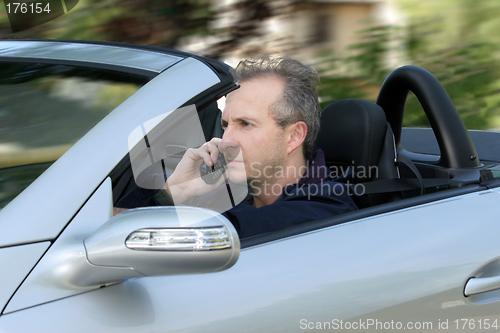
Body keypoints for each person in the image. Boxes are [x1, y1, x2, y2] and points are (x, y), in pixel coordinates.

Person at [116, 54, 358, 238]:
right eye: (225, 124)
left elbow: (233, 228)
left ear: (294, 136)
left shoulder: (325, 211)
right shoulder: (227, 194)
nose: (226, 140)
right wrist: (174, 192)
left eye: (246, 124)